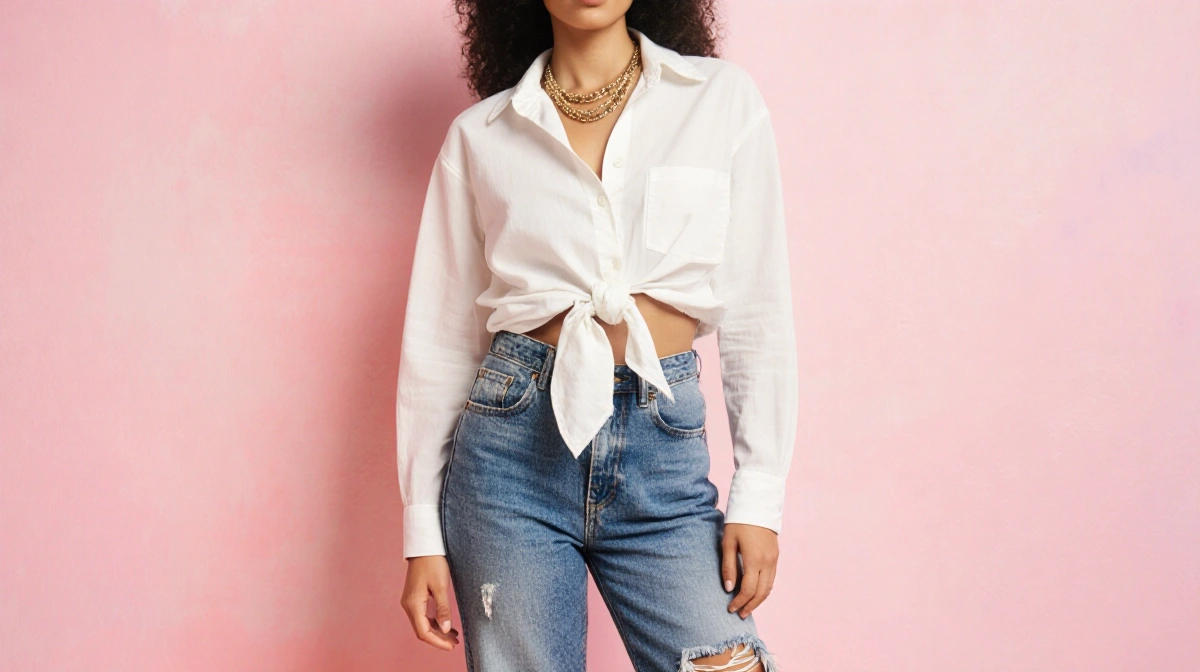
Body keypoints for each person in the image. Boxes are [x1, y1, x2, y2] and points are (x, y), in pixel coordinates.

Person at [396, 2, 797, 670]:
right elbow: (439, 344)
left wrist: (760, 496)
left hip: (660, 458)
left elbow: (759, 311)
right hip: (508, 458)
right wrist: (422, 535)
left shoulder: (719, 102)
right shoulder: (482, 136)